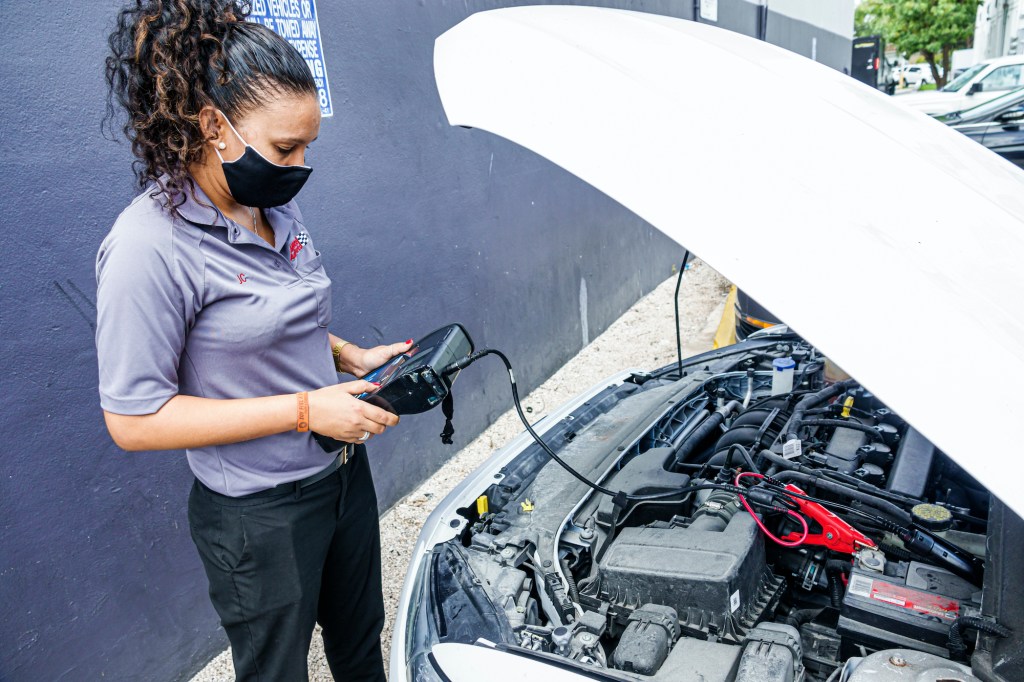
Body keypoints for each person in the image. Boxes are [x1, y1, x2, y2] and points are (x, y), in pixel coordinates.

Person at [98, 1, 405, 679]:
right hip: (258, 516)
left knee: (360, 645)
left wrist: (347, 354)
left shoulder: (271, 202)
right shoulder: (148, 248)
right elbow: (133, 418)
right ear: (215, 127)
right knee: (276, 671)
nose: (301, 166)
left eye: (308, 146)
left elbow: (267, 317)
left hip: (342, 473)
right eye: (286, 148)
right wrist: (304, 409)